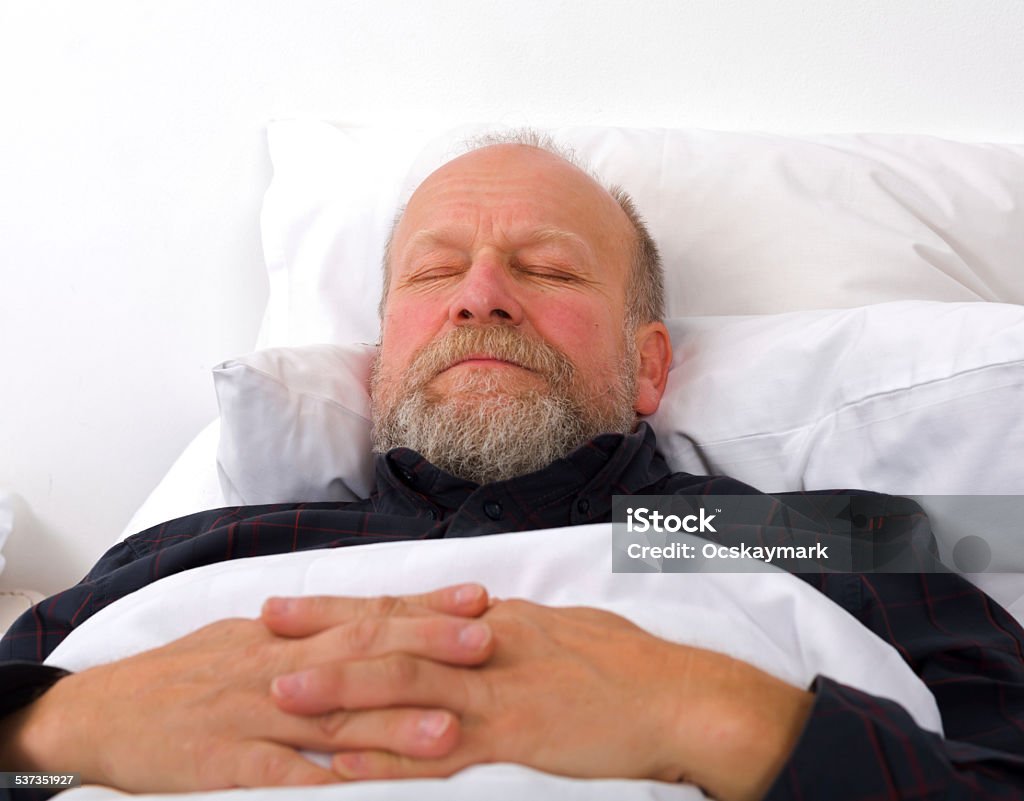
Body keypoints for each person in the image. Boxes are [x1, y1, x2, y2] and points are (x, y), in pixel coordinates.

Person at [1, 135, 1023, 801]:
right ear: (380, 357)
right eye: (435, 271)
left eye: (547, 269)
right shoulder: (208, 544)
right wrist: (50, 726)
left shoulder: (789, 531)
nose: (480, 296)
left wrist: (712, 716)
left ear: (648, 366)